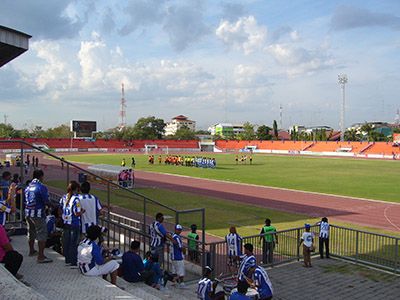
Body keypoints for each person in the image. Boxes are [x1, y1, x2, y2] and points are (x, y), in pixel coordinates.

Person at [24, 169, 53, 263]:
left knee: (31, 231)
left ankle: (31, 251)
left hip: (28, 212)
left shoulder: (28, 187)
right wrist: (53, 206)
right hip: (38, 213)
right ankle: (41, 256)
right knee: (42, 233)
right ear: (41, 176)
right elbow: (46, 200)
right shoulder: (41, 187)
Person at [60, 181, 83, 267]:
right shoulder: (76, 199)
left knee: (67, 241)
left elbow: (60, 208)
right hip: (74, 223)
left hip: (66, 222)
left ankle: (67, 259)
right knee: (73, 243)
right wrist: (82, 211)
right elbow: (77, 213)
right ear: (76, 189)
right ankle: (73, 261)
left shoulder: (64, 197)